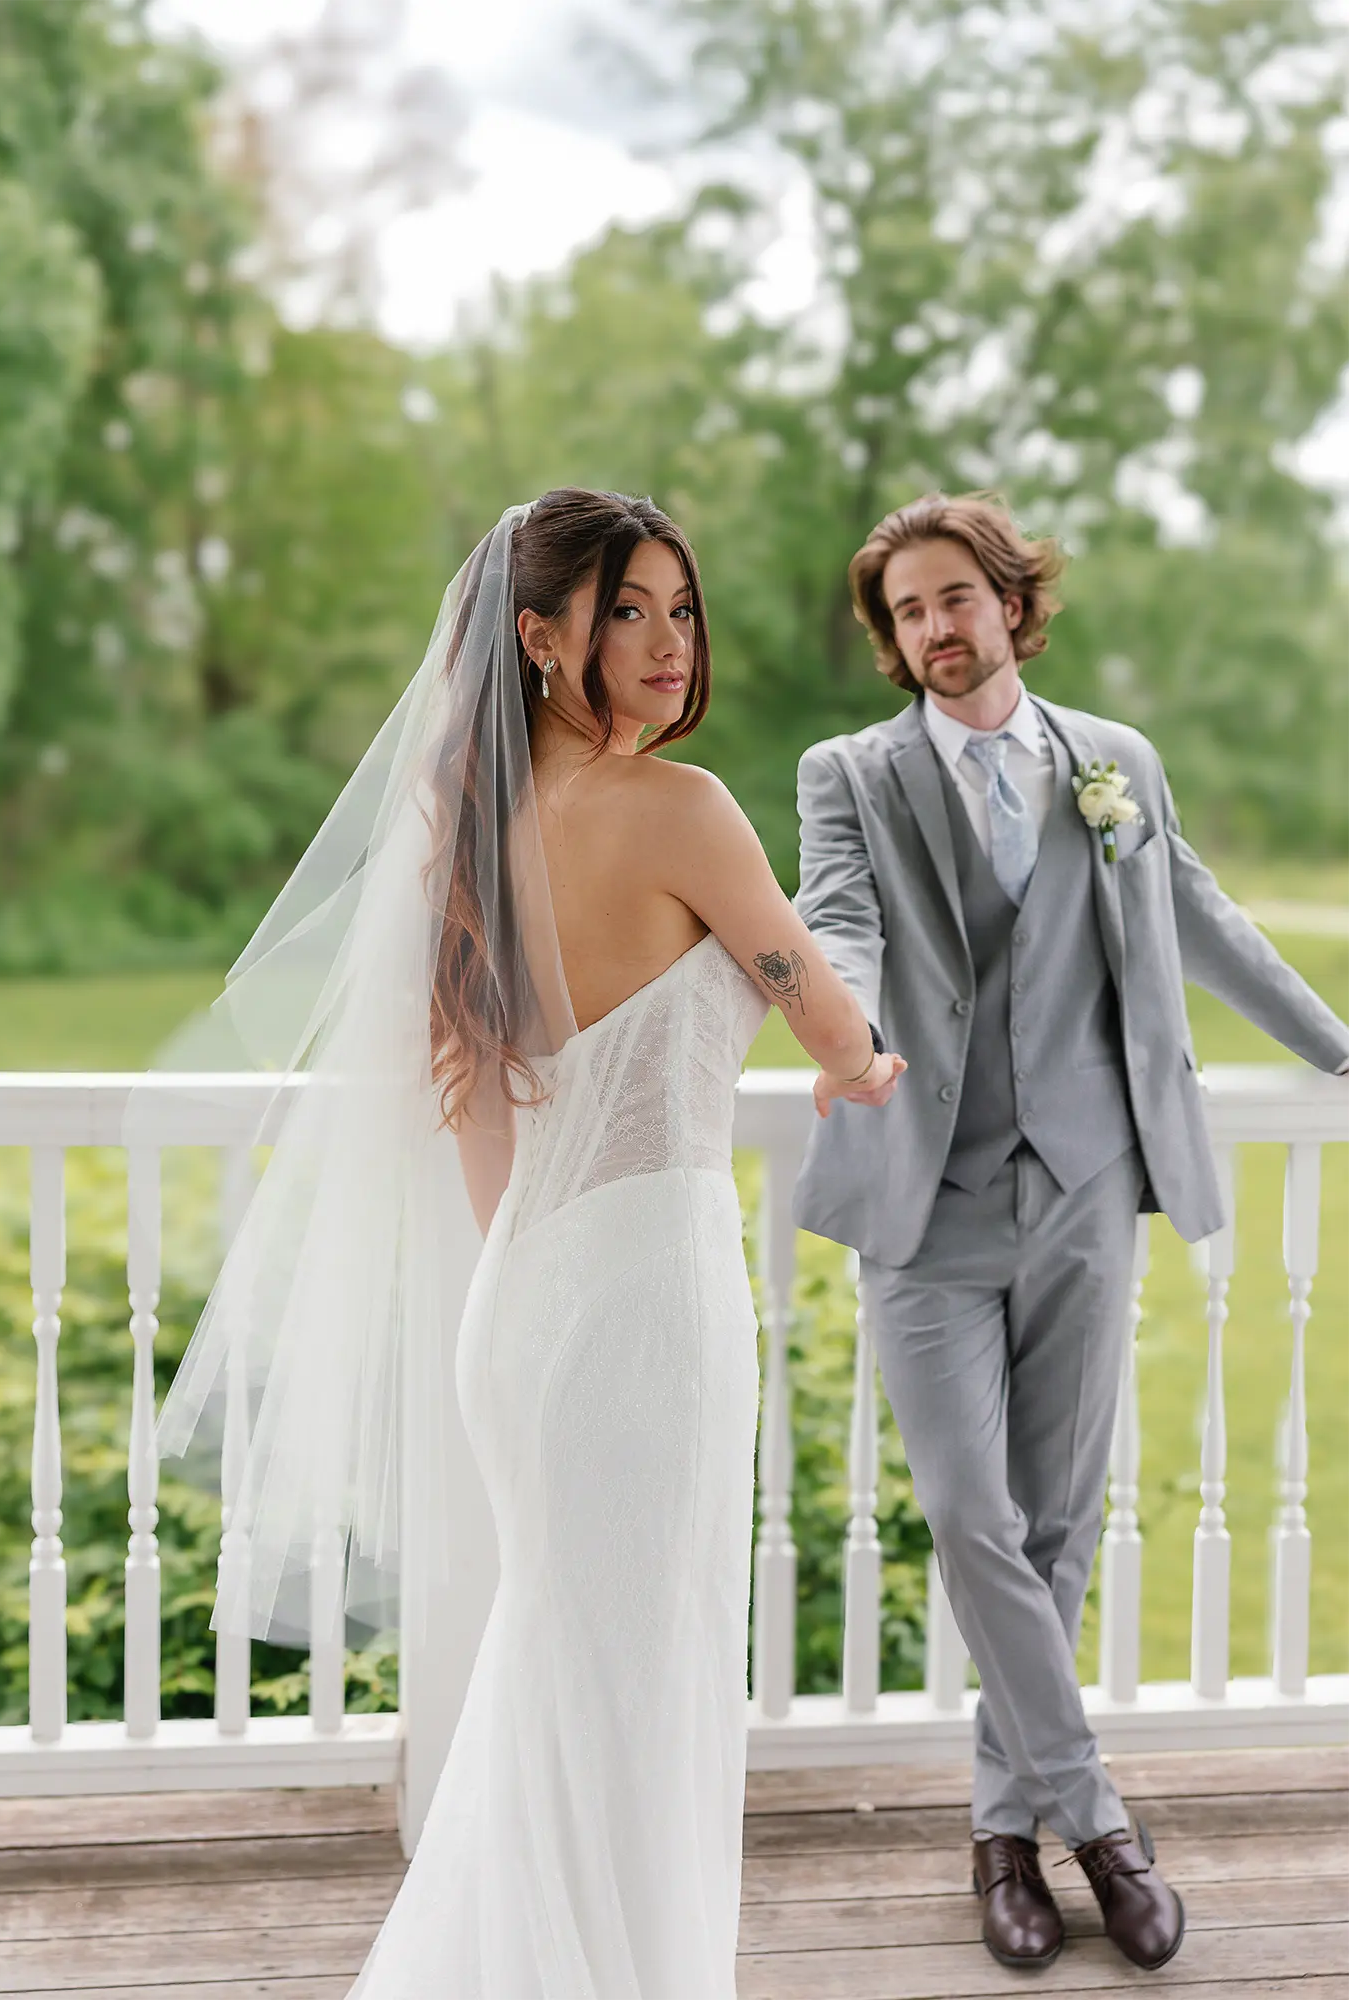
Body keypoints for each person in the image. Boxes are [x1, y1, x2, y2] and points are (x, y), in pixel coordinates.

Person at [156, 487, 904, 1999]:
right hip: (646, 1307)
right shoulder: (684, 811)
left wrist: (547, 1282)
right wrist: (855, 1061)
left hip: (527, 1303)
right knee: (641, 1679)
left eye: (680, 611)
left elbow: (481, 1120)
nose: (666, 643)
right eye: (627, 610)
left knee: (559, 1673)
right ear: (539, 636)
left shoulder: (459, 836)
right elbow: (831, 1017)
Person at [792, 490, 1349, 1975]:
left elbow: (1202, 915)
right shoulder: (848, 773)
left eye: (952, 599)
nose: (931, 631)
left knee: (1055, 1526)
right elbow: (834, 920)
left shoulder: (1115, 765)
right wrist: (834, 1025)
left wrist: (1336, 1047)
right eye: (905, 613)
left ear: (1010, 603)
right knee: (971, 1517)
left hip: (1090, 1189)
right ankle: (1096, 1824)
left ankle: (998, 1838)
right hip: (925, 1194)